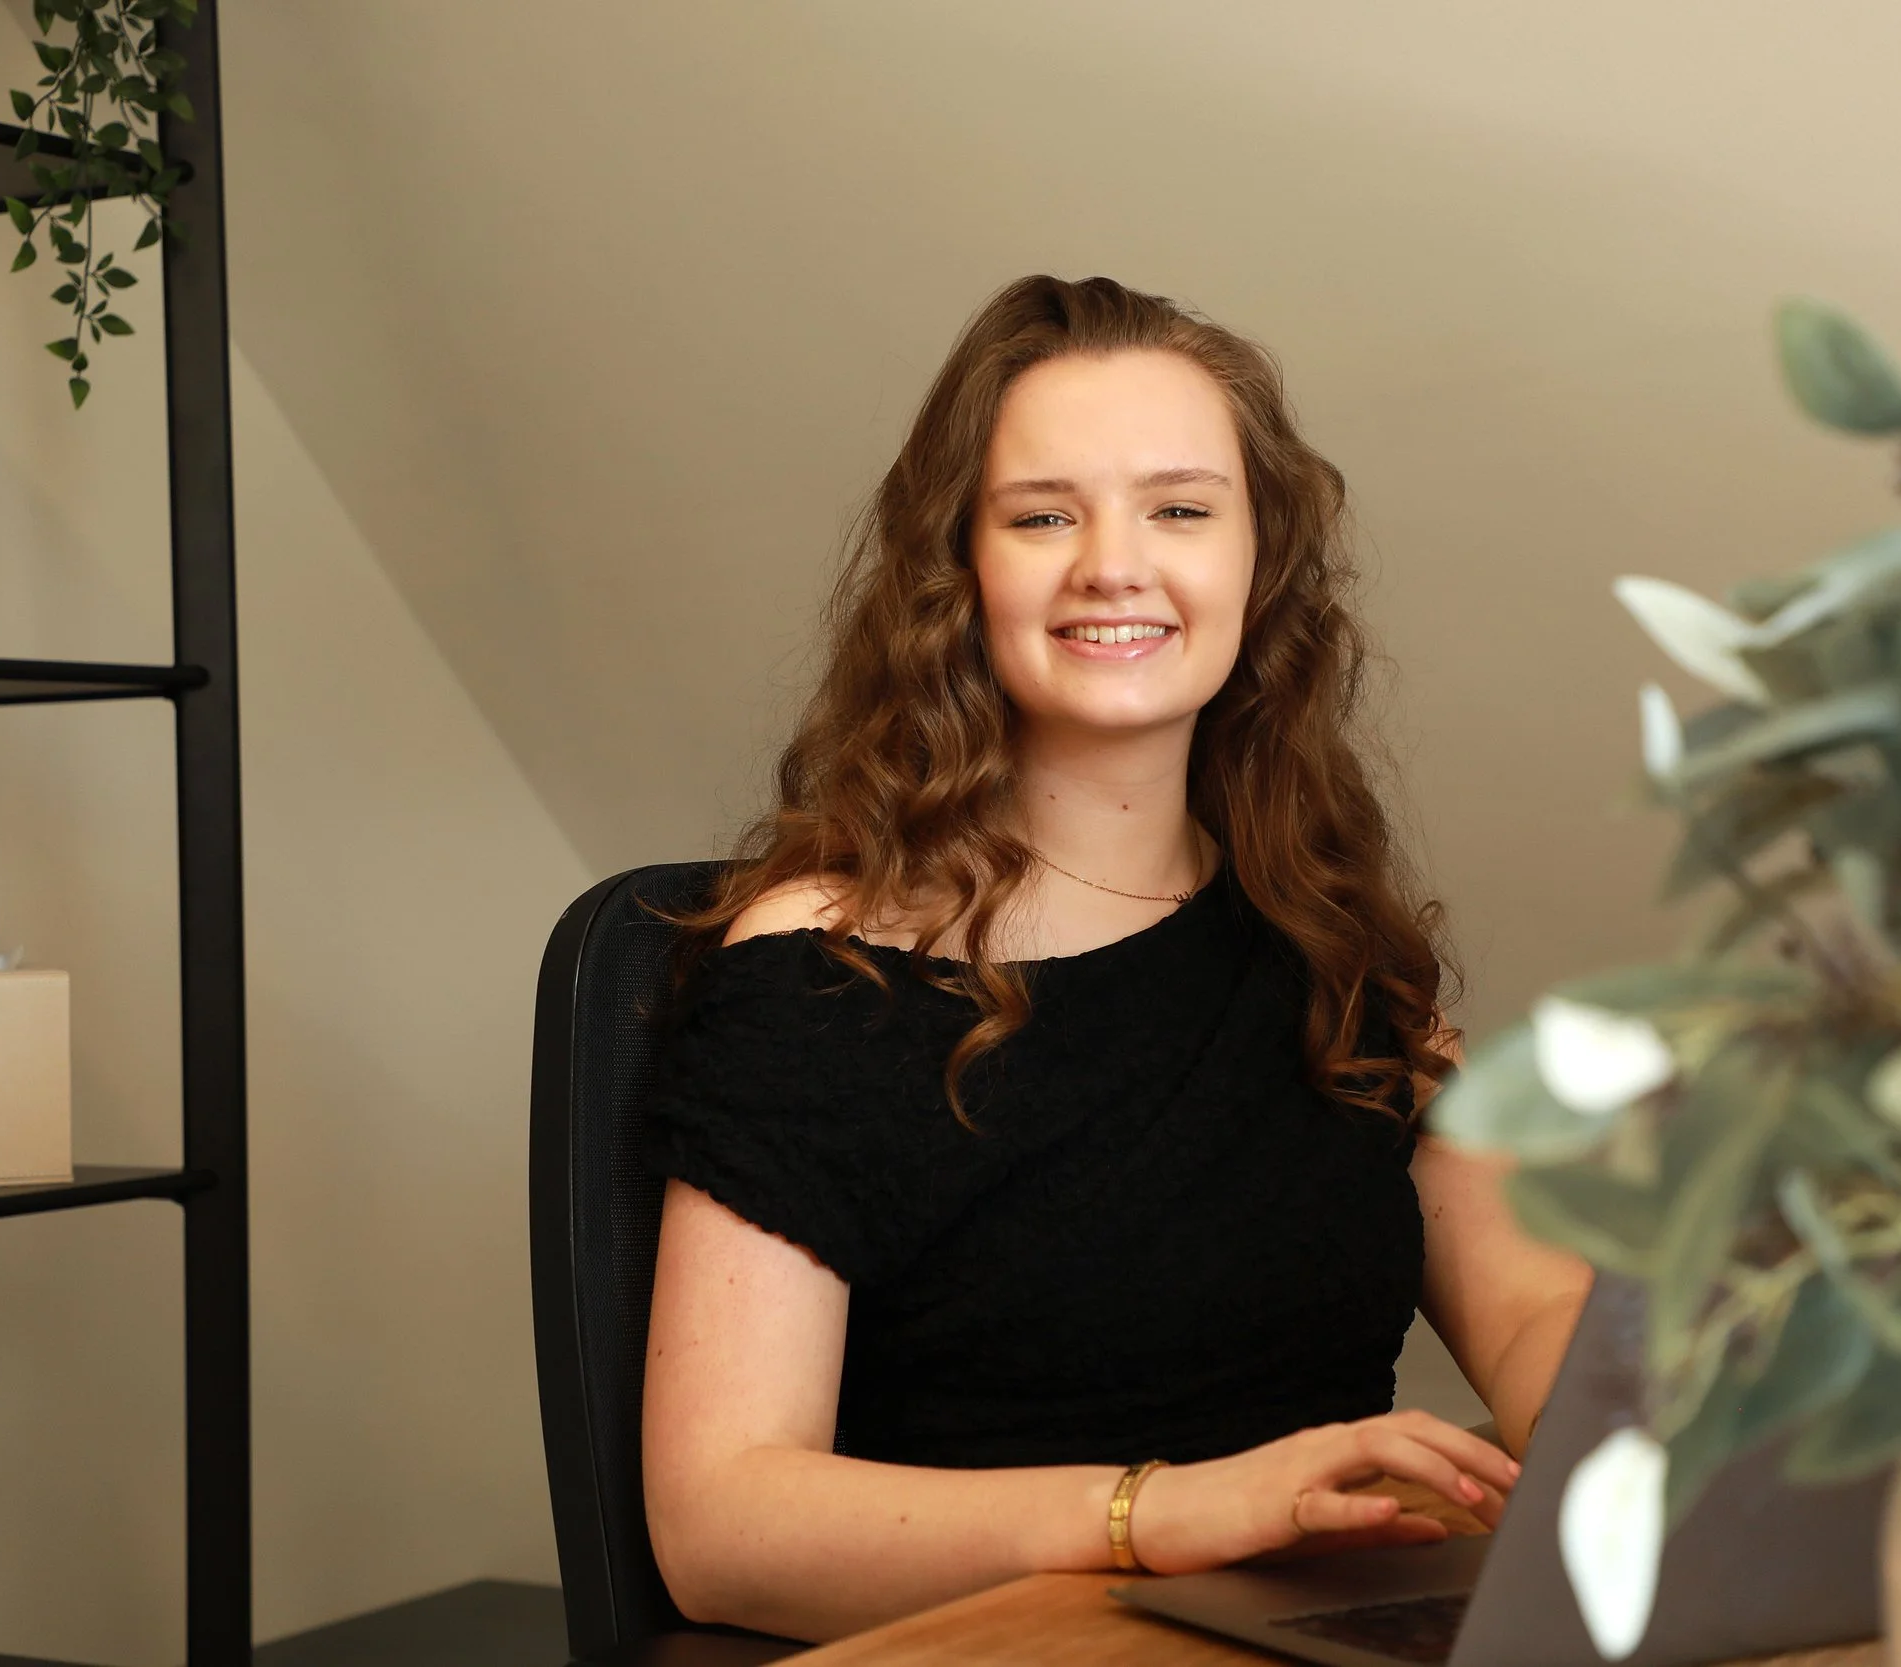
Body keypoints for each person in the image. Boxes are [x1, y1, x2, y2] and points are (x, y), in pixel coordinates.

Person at [638, 275, 1592, 1644]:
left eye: (1181, 508)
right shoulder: (817, 970)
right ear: (959, 567)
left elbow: (1540, 1311)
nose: (1113, 564)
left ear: (1259, 563)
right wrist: (1159, 1511)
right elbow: (719, 1527)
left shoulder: (1325, 935)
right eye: (1042, 516)